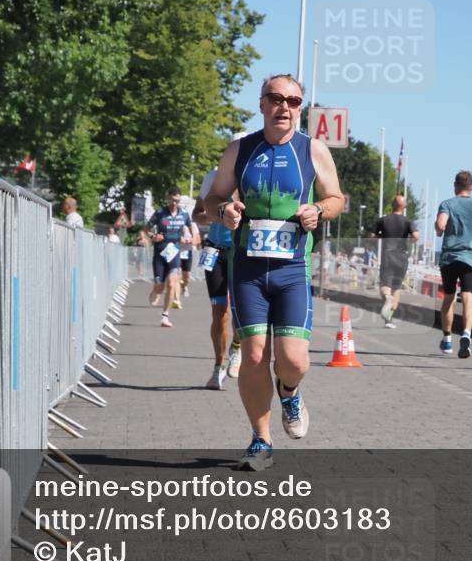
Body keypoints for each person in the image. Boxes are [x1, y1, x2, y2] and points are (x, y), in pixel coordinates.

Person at [204, 74, 343, 471]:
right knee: (253, 355)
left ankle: (290, 391)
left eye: (294, 101)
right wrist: (224, 210)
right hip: (247, 268)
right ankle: (260, 440)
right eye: (276, 98)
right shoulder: (239, 150)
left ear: (301, 108)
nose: (284, 106)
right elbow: (213, 197)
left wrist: (318, 210)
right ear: (262, 104)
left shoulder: (313, 150)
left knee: (294, 360)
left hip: (293, 269)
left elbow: (336, 198)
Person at [192, 132, 247, 391]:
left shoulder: (252, 177)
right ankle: (218, 366)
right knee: (219, 311)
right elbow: (197, 214)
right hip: (214, 249)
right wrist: (214, 217)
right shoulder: (213, 177)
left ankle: (237, 347)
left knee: (239, 312)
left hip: (241, 250)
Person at [435, 171, 472, 358]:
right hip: (470, 258)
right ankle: (466, 333)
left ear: (455, 185)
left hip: (450, 258)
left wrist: (439, 229)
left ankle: (447, 340)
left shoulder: (447, 204)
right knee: (468, 296)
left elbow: (441, 225)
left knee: (449, 298)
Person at [147, 186, 193, 327]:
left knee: (172, 283)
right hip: (160, 253)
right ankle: (156, 289)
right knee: (160, 287)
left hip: (174, 254)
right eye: (172, 200)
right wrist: (154, 236)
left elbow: (192, 232)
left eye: (177, 201)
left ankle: (165, 317)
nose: (174, 203)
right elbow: (146, 229)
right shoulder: (160, 213)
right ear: (168, 198)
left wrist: (190, 239)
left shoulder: (184, 214)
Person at [371, 195, 419, 328]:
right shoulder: (408, 222)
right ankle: (389, 320)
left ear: (392, 205)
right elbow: (416, 236)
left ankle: (387, 299)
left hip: (387, 255)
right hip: (402, 257)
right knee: (396, 288)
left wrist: (382, 236)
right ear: (404, 207)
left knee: (385, 286)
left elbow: (372, 236)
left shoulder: (383, 220)